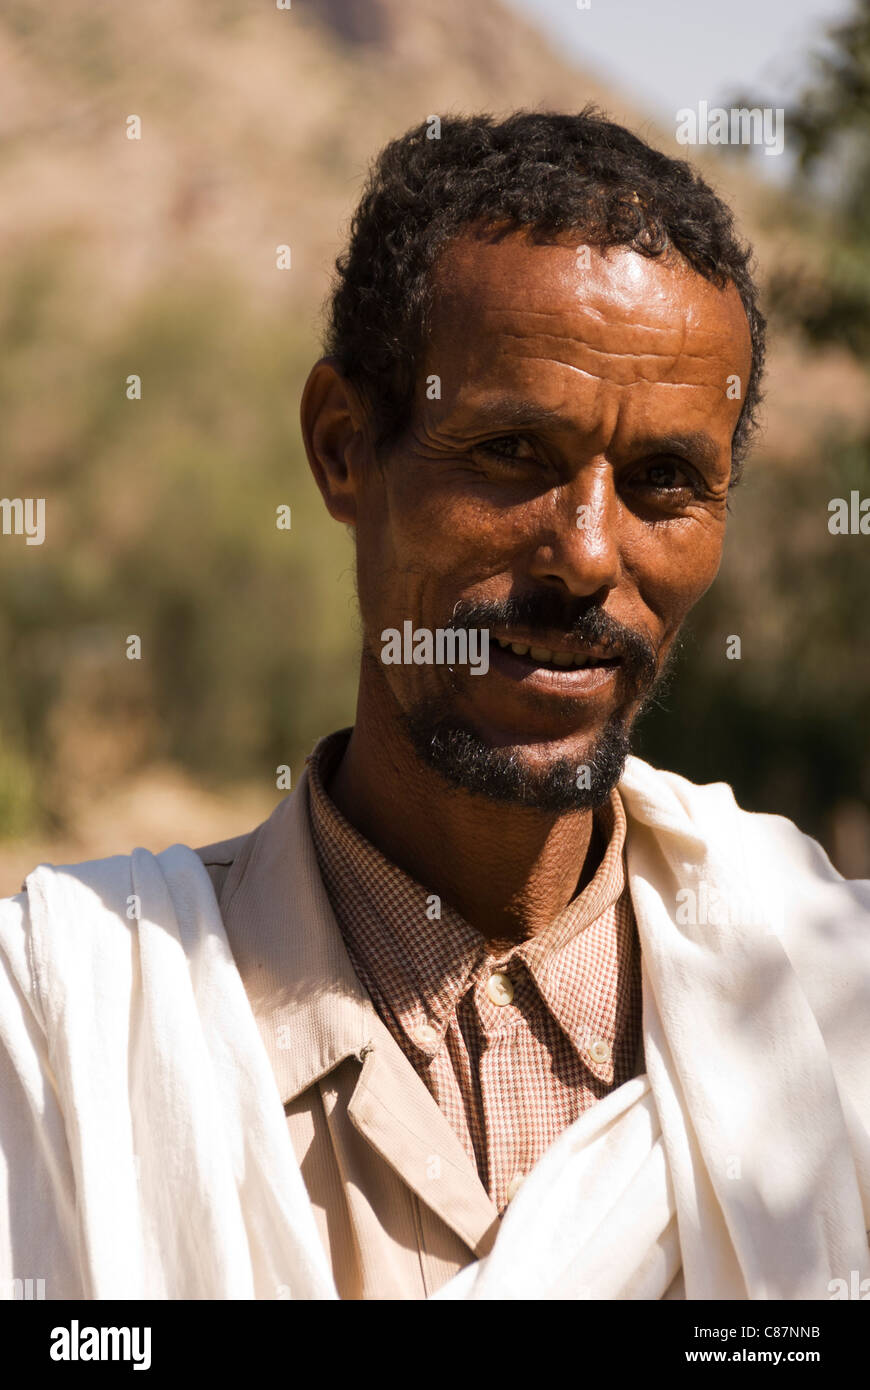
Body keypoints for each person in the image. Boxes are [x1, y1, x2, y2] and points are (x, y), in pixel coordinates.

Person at [1, 109, 868, 1303]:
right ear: (344, 447)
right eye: (513, 450)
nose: (585, 556)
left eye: (667, 481)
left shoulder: (833, 1019)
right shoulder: (71, 1035)